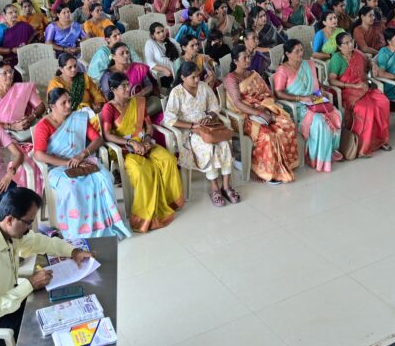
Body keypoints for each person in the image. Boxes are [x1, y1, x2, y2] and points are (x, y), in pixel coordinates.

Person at [0, 187, 93, 346]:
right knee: (50, 329)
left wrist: (72, 251)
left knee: (53, 308)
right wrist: (29, 284)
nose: (29, 228)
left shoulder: (3, 229)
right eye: (28, 222)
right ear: (10, 220)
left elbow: (38, 242)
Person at [32, 88, 132, 239]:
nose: (68, 105)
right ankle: (79, 232)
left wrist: (82, 155)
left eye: (69, 101)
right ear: (52, 106)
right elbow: (39, 154)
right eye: (63, 103)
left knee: (104, 177)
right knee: (72, 188)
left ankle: (104, 224)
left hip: (82, 160)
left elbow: (98, 139)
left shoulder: (78, 119)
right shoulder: (44, 125)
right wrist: (68, 162)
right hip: (58, 167)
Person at [100, 72, 185, 232]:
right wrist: (130, 143)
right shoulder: (109, 108)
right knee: (144, 171)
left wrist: (146, 140)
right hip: (126, 150)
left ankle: (170, 202)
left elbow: (149, 126)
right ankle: (144, 217)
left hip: (145, 143)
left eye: (128, 84)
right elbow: (107, 135)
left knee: (168, 160)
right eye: (123, 86)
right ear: (113, 89)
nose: (128, 88)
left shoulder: (138, 102)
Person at [164, 61, 241, 207]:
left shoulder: (204, 87)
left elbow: (214, 106)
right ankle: (214, 188)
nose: (197, 80)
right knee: (209, 147)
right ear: (183, 77)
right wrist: (192, 126)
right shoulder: (177, 92)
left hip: (207, 127)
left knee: (224, 143)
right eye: (193, 77)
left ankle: (226, 186)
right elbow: (169, 118)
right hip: (189, 133)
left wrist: (210, 117)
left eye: (198, 76)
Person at [222, 45, 300, 184]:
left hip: (262, 110)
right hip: (243, 117)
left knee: (287, 125)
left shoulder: (253, 74)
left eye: (248, 57)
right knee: (267, 136)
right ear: (235, 61)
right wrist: (259, 113)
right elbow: (238, 103)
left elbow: (267, 93)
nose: (248, 60)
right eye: (244, 58)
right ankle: (263, 170)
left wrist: (266, 107)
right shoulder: (231, 78)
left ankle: (283, 163)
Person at [272, 41, 342, 172]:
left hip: (314, 100)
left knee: (336, 114)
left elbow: (316, 83)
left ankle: (329, 151)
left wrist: (322, 89)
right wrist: (301, 98)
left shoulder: (308, 64)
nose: (301, 53)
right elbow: (278, 93)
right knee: (320, 122)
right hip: (297, 107)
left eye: (301, 50)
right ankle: (316, 158)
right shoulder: (282, 70)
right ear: (287, 54)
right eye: (297, 51)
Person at [327, 32, 391, 156]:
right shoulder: (337, 59)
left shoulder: (358, 54)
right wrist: (354, 86)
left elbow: (369, 61)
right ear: (339, 47)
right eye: (346, 43)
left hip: (364, 89)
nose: (351, 44)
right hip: (348, 92)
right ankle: (363, 145)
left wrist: (373, 65)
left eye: (351, 41)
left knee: (383, 102)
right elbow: (332, 80)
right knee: (367, 109)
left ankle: (381, 140)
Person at [0, 62, 46, 137]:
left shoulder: (22, 88)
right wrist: (11, 126)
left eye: (10, 71)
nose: (9, 75)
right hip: (0, 132)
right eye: (4, 73)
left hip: (23, 129)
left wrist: (30, 119)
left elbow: (41, 106)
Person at [144, 22, 181, 87]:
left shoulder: (171, 40)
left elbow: (181, 53)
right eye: (158, 33)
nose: (162, 34)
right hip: (163, 75)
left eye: (162, 31)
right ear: (152, 35)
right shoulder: (149, 44)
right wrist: (164, 69)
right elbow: (150, 63)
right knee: (181, 85)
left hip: (177, 72)